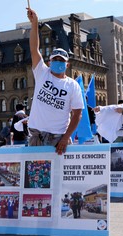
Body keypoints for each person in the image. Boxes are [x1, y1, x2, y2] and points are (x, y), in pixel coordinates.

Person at [27, 8, 84, 155]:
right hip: (36, 137)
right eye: (55, 60)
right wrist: (34, 24)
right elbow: (34, 49)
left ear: (67, 64)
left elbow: (77, 114)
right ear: (49, 61)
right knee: (35, 176)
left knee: (57, 177)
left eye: (61, 60)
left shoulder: (73, 85)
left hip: (58, 139)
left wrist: (66, 138)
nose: (58, 62)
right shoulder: (42, 72)